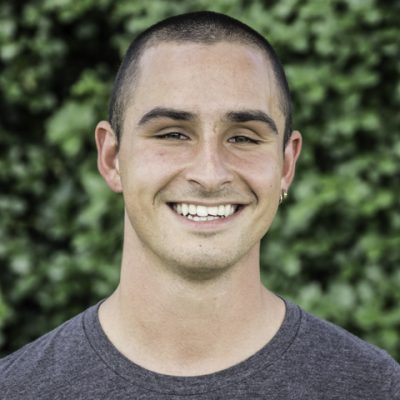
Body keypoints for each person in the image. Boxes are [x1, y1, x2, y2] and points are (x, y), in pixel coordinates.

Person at [0, 11, 399, 399]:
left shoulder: (377, 388)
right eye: (173, 134)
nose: (210, 174)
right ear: (112, 158)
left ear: (286, 164)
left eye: (243, 138)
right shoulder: (15, 390)